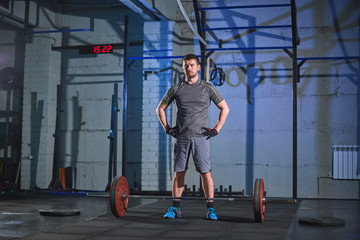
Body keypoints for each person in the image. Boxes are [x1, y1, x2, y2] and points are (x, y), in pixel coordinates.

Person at [156, 54, 230, 220]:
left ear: (197, 67)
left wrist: (216, 129)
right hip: (181, 138)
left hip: (201, 138)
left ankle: (210, 209)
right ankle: (175, 209)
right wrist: (168, 128)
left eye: (191, 65)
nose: (188, 68)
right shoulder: (176, 89)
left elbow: (225, 108)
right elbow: (160, 109)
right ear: (183, 68)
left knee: (205, 174)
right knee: (179, 173)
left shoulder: (207, 88)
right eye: (186, 65)